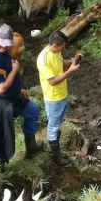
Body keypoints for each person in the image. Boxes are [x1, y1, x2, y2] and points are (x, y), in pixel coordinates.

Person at [0, 23, 42, 169]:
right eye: (2, 45)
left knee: (32, 109)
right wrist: (16, 70)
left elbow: (6, 71)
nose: (4, 48)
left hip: (12, 94)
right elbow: (0, 88)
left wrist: (18, 88)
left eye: (7, 45)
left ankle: (31, 147)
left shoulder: (1, 48)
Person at [36, 30, 80, 166]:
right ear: (54, 45)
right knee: (53, 126)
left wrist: (72, 61)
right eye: (62, 47)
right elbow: (53, 81)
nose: (63, 49)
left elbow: (61, 63)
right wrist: (70, 72)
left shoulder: (56, 52)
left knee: (58, 124)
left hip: (62, 95)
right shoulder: (44, 59)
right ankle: (55, 156)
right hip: (53, 98)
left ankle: (55, 151)